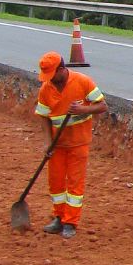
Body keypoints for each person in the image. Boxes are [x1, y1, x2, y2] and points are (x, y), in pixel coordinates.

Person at [34, 50, 107, 238]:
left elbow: (102, 106)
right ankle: (59, 217)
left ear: (61, 69)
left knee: (75, 183)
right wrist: (47, 142)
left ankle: (71, 222)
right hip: (57, 145)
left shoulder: (83, 81)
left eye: (51, 75)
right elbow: (43, 117)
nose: (49, 79)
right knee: (56, 183)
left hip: (78, 143)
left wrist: (82, 109)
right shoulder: (46, 89)